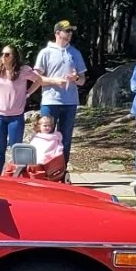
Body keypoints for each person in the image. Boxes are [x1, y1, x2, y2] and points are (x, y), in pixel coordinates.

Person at [34, 20, 87, 166]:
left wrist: (75, 78)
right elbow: (36, 78)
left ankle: (61, 170)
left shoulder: (75, 53)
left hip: (70, 102)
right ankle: (43, 167)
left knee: (65, 138)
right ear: (57, 33)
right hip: (50, 101)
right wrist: (54, 81)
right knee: (45, 135)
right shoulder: (46, 53)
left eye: (71, 31)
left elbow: (82, 80)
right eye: (67, 31)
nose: (70, 34)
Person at [0, 45, 42, 174]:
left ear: (14, 56)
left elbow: (38, 80)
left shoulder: (23, 71)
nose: (4, 56)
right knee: (0, 148)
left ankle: (17, 175)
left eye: (7, 54)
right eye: (2, 54)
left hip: (16, 116)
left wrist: (28, 93)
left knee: (16, 148)